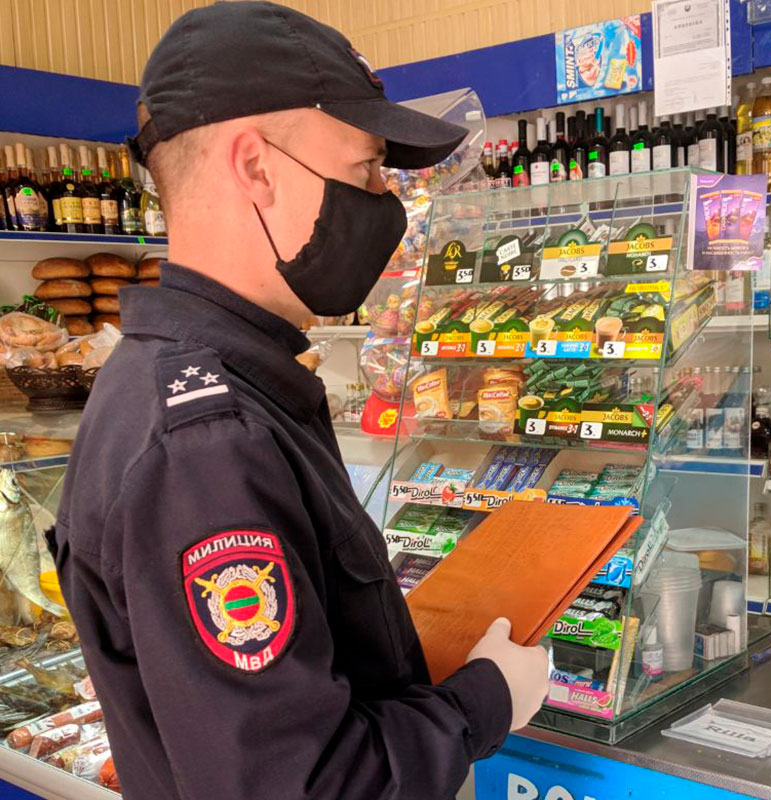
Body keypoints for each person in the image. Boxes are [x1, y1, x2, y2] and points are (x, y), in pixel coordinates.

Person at [49, 4, 548, 798]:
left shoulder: (192, 382)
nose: (384, 200)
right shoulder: (207, 444)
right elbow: (302, 785)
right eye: (367, 169)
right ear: (255, 166)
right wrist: (480, 705)